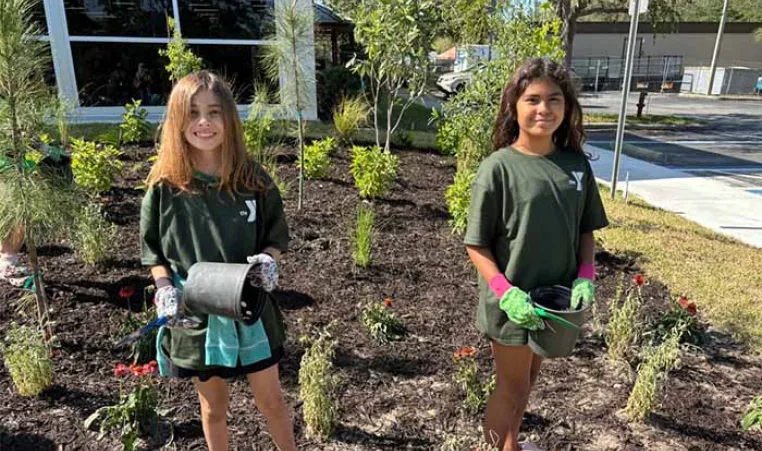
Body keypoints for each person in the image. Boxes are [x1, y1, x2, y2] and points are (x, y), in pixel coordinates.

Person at [140, 70, 296, 451]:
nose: (204, 123)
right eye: (192, 113)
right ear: (178, 121)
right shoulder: (164, 186)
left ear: (229, 118)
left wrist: (269, 262)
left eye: (213, 112)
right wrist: (164, 289)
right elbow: (154, 252)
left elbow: (275, 236)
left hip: (249, 308)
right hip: (197, 315)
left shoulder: (252, 179)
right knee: (213, 409)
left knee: (272, 401)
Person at [463, 58, 609, 451]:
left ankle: (511, 445)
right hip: (511, 302)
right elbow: (476, 243)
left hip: (555, 302)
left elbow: (585, 228)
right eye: (532, 99)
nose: (544, 109)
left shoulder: (575, 165)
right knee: (510, 387)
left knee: (528, 383)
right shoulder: (498, 168)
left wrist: (586, 276)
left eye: (554, 99)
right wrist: (504, 291)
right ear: (515, 105)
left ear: (567, 107)